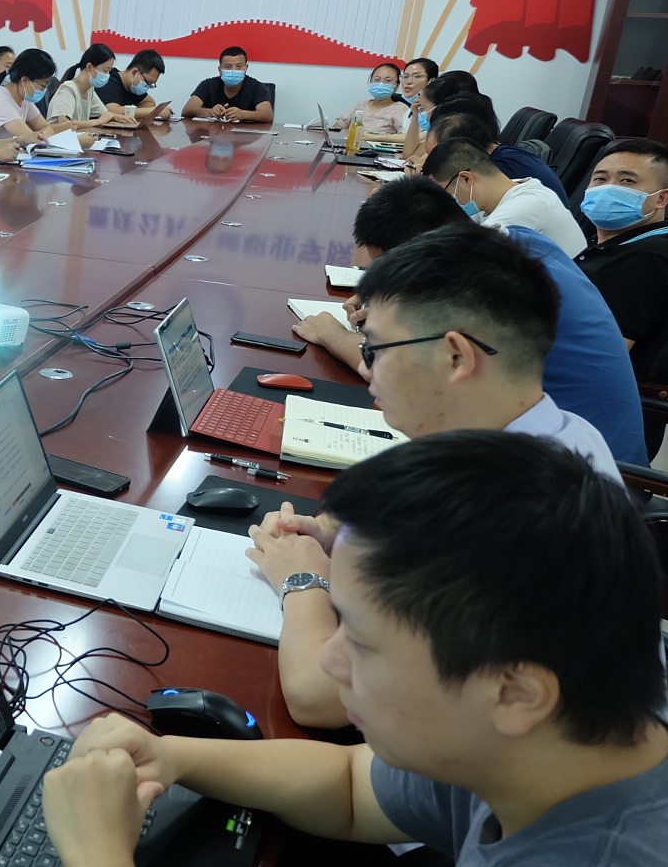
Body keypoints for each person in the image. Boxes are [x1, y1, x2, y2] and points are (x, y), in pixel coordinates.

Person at [42, 430, 668, 867]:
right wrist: (173, 756)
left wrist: (99, 866)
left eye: (363, 643)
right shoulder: (556, 748)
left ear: (515, 693)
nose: (329, 658)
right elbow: (350, 787)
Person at [258, 222, 622, 727]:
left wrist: (300, 580)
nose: (368, 370)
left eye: (375, 350)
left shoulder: (508, 511)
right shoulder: (556, 430)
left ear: (455, 356)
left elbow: (317, 697)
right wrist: (330, 533)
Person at [294, 174, 646, 465]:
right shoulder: (513, 245)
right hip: (561, 442)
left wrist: (333, 335)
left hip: (564, 470)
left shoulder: (488, 291)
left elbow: (406, 375)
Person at [576, 137, 668, 379]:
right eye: (600, 179)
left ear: (661, 198)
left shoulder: (644, 259)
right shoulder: (632, 240)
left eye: (627, 181)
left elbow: (597, 359)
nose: (608, 188)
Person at [423, 136, 586, 257]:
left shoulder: (524, 206)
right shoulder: (502, 193)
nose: (447, 200)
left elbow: (468, 258)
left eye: (444, 192)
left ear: (466, 179)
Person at [424, 97, 570, 205]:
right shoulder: (501, 155)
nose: (431, 164)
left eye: (435, 157)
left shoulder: (502, 169)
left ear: (461, 148)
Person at [0, 48, 82, 146]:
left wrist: (40, 135)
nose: (43, 90)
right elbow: (32, 140)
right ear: (24, 80)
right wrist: (40, 136)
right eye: (42, 86)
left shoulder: (24, 100)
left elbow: (46, 128)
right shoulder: (0, 102)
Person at [47, 43, 138, 129]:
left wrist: (116, 117)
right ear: (89, 67)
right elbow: (64, 124)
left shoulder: (89, 90)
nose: (107, 75)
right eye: (105, 70)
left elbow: (105, 114)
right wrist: (98, 121)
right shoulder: (68, 89)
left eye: (109, 71)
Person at [182, 46, 274, 123]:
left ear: (246, 67)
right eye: (228, 67)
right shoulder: (208, 85)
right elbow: (187, 110)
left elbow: (267, 115)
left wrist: (243, 114)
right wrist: (210, 112)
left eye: (239, 66)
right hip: (214, 134)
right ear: (220, 69)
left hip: (245, 136)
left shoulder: (257, 87)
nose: (234, 70)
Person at [403, 68, 472, 166]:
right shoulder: (438, 134)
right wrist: (415, 115)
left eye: (423, 108)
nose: (425, 116)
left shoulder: (459, 139)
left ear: (440, 107)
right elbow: (408, 155)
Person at [317, 62, 408, 136]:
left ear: (397, 85)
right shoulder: (361, 105)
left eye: (388, 80)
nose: (381, 84)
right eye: (377, 80)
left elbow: (405, 136)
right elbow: (338, 127)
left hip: (379, 151)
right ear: (371, 82)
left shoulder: (401, 109)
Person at [95, 47, 170, 119]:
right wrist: (153, 111)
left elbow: (149, 103)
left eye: (151, 85)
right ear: (134, 72)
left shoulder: (133, 87)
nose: (147, 87)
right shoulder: (108, 81)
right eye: (148, 82)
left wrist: (141, 113)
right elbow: (113, 111)